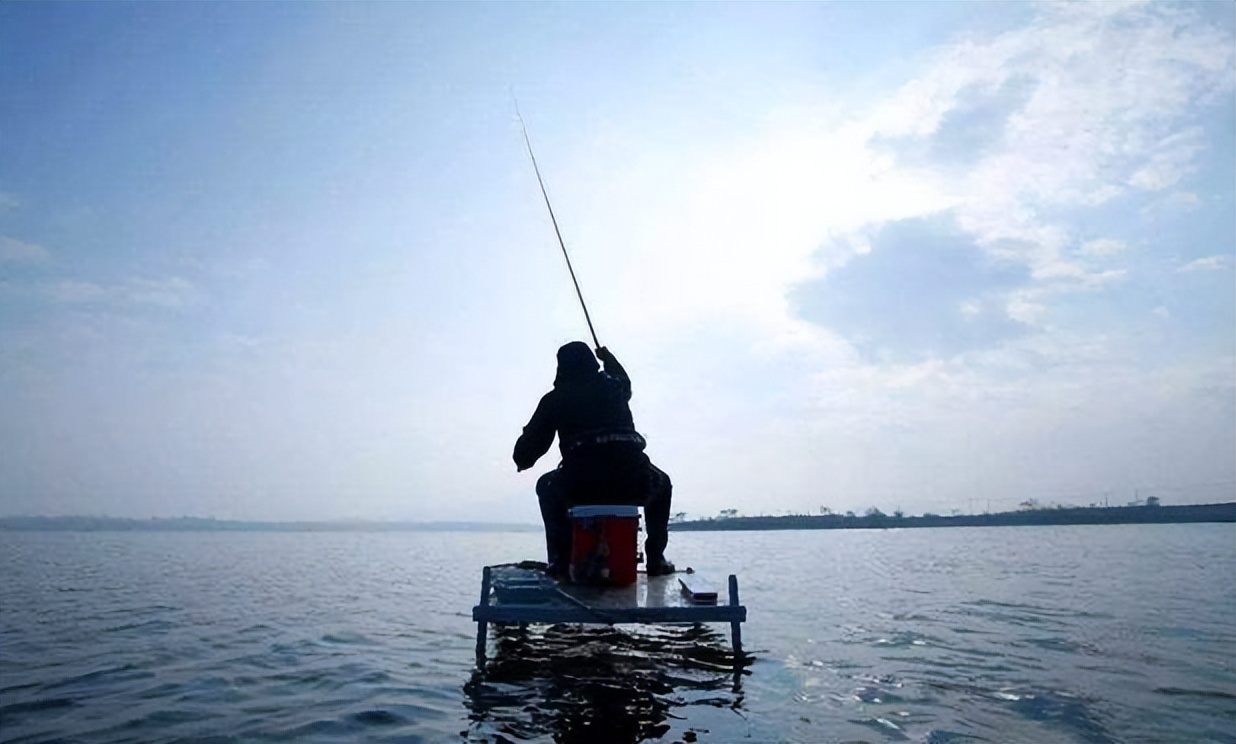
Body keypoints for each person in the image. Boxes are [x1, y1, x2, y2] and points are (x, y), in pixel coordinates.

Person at [513, 341, 675, 577]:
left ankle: (560, 562)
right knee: (664, 483)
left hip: (580, 487)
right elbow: (625, 381)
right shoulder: (615, 388)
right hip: (634, 483)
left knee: (546, 487)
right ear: (592, 363)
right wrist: (608, 358)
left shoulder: (555, 400)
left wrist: (524, 447)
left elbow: (525, 456)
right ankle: (656, 559)